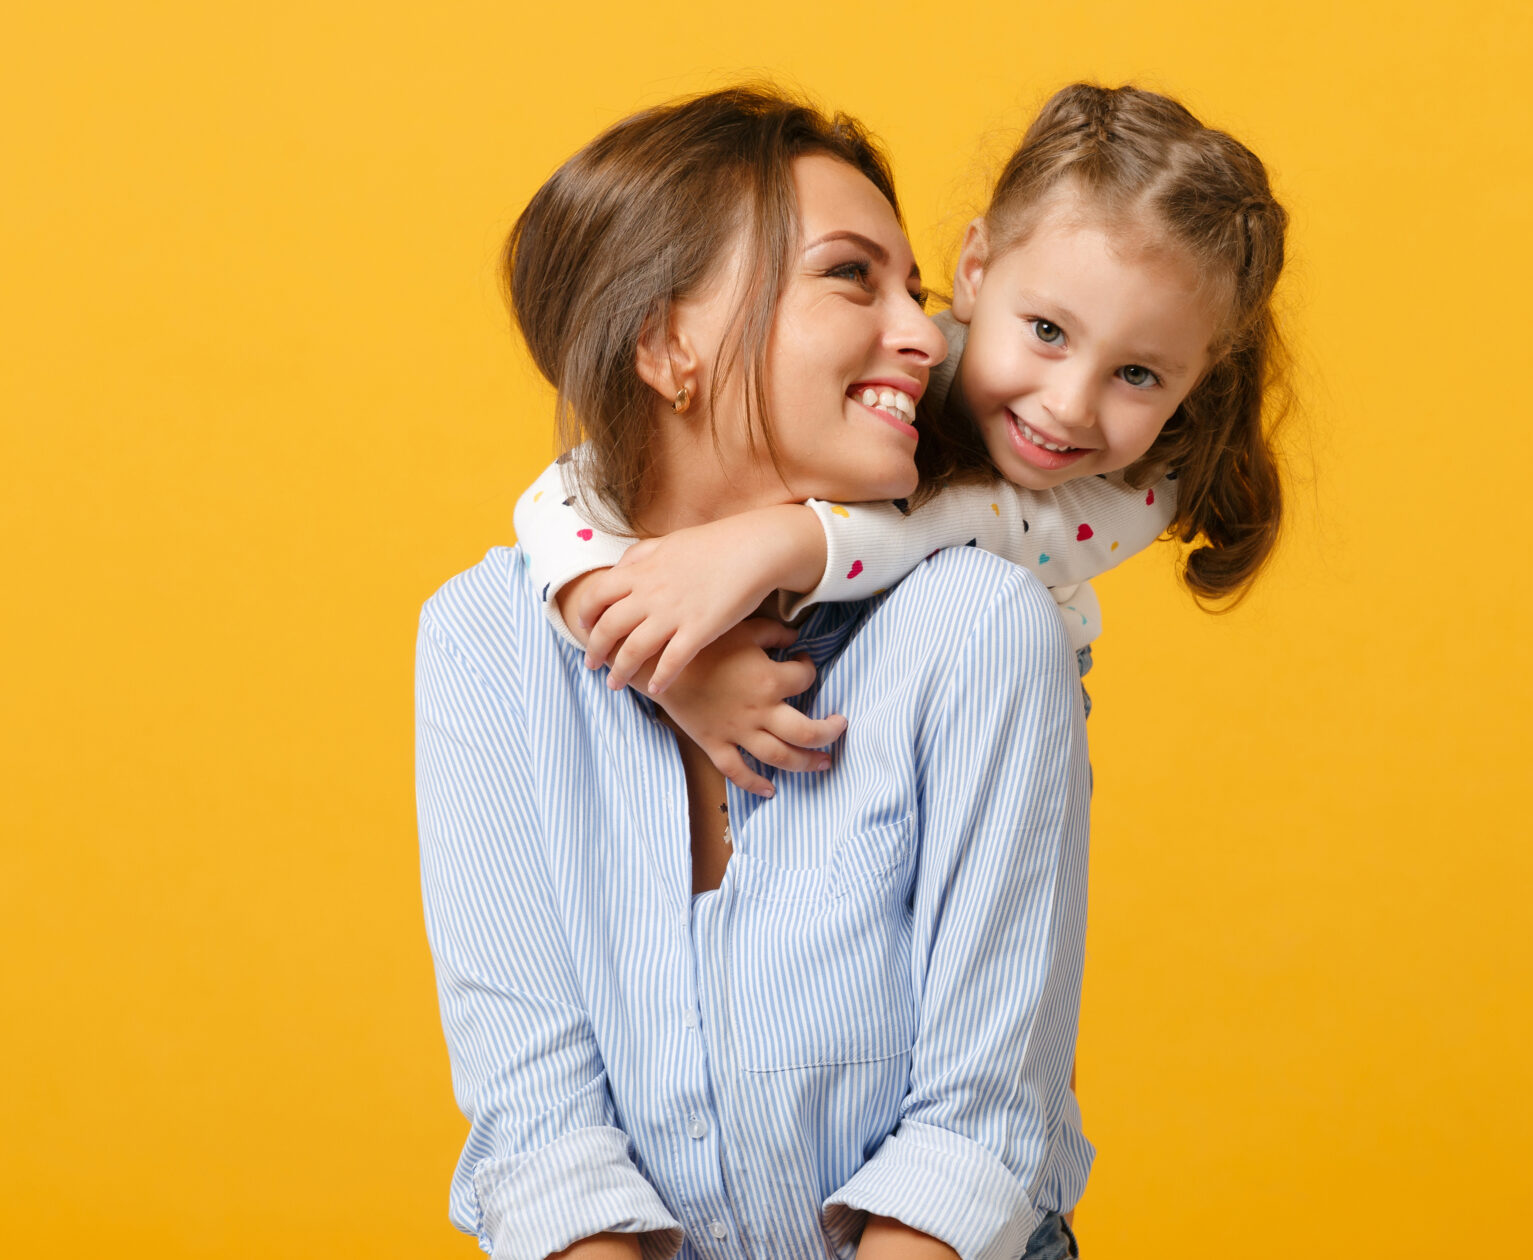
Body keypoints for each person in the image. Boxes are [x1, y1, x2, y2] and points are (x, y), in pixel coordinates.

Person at [417, 87, 1090, 1260]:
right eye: (849, 277)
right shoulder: (484, 640)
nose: (930, 339)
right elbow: (541, 1138)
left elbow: (979, 1129)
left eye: (919, 292)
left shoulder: (981, 627)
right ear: (667, 343)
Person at [513, 83, 1290, 796]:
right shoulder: (915, 362)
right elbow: (564, 494)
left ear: (1198, 378)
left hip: (975, 720)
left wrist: (783, 541)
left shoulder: (1142, 483)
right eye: (1049, 331)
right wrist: (663, 667)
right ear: (977, 269)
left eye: (1140, 375)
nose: (1069, 406)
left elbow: (988, 521)